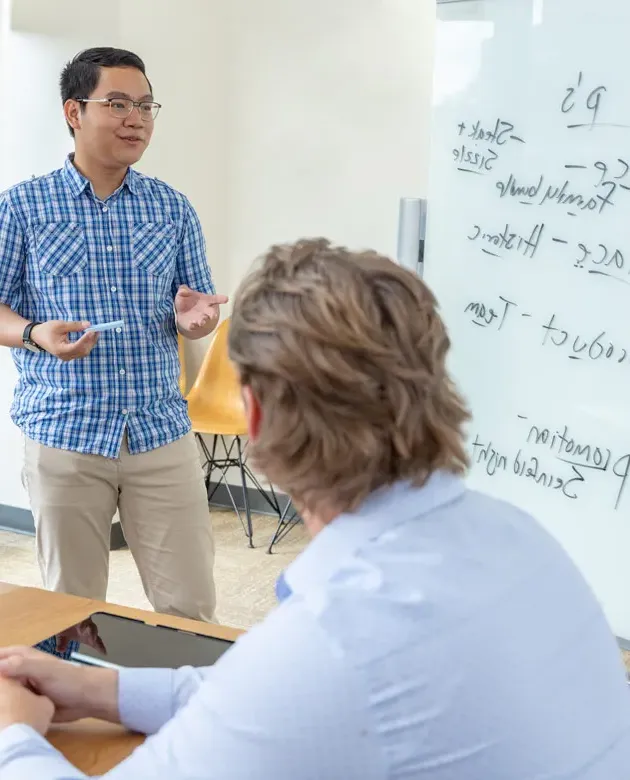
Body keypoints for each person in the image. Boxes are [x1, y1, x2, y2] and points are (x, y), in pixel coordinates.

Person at [0, 238, 629, 779]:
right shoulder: (518, 537)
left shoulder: (336, 639)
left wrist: (14, 736)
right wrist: (99, 689)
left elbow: (297, 686)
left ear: (254, 415)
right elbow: (260, 695)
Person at [0, 48, 225, 622]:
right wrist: (33, 333)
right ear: (74, 112)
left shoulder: (171, 208)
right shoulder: (22, 207)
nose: (137, 118)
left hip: (160, 431)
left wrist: (197, 320)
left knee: (190, 608)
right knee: (70, 613)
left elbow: (197, 306)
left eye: (146, 105)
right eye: (118, 103)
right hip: (65, 430)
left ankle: (183, 710)